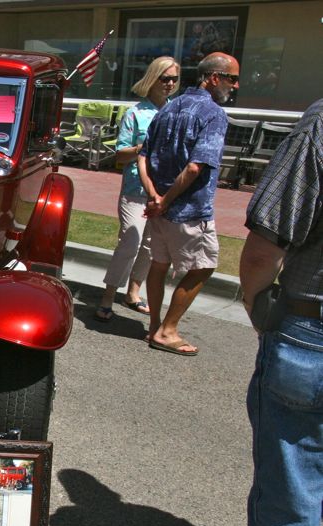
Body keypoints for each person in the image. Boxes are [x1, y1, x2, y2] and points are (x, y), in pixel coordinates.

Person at [215, 99, 323, 526]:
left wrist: (258, 309)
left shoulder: (320, 124)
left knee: (292, 490)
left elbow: (263, 249)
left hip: (311, 329)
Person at [137, 52, 240, 355]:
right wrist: (165, 200)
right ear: (214, 78)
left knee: (159, 264)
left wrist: (155, 196)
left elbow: (142, 157)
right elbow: (196, 167)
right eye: (232, 79)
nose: (235, 86)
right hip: (188, 210)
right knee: (204, 266)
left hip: (160, 208)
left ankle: (155, 325)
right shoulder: (213, 114)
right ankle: (166, 331)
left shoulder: (168, 109)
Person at [95, 56, 180, 322]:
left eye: (174, 79)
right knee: (130, 242)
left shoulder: (177, 112)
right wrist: (143, 149)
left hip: (165, 190)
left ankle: (133, 292)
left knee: (151, 246)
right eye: (164, 78)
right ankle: (108, 295)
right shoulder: (135, 114)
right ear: (153, 79)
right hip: (134, 188)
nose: (169, 84)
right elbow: (119, 155)